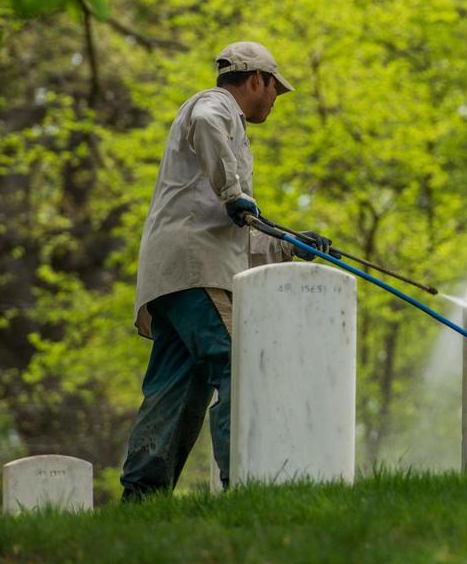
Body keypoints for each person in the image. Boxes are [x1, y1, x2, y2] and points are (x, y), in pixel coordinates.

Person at [119, 41, 325, 500]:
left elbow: (236, 231)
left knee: (176, 390)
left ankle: (141, 499)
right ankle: (247, 485)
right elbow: (228, 192)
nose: (275, 99)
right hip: (197, 274)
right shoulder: (216, 108)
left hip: (172, 279)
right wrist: (234, 192)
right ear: (256, 79)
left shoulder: (224, 142)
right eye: (276, 89)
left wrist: (289, 244)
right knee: (242, 364)